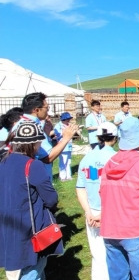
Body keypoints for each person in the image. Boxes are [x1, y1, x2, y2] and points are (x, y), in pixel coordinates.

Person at [100, 117, 139, 279]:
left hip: (111, 228)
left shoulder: (110, 163)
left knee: (118, 276)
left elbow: (102, 193)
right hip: (137, 228)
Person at [0, 121, 63, 280]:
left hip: (6, 225)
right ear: (33, 144)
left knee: (17, 268)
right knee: (32, 271)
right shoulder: (33, 165)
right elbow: (51, 198)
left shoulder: (2, 161)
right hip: (30, 227)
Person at [76, 122, 118, 280]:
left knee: (97, 253)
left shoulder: (86, 158)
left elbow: (80, 187)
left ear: (98, 136)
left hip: (92, 210)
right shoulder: (115, 158)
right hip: (111, 210)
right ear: (115, 138)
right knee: (114, 253)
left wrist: (88, 212)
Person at [18, 92, 77, 180]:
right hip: (32, 177)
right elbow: (47, 158)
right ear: (36, 110)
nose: (48, 110)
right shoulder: (32, 126)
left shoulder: (21, 123)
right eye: (47, 107)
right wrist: (66, 138)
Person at [53, 112, 74, 181]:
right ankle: (62, 176)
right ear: (63, 119)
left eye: (69, 119)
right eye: (67, 119)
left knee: (68, 161)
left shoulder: (68, 125)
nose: (68, 120)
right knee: (63, 161)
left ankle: (68, 176)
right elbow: (58, 134)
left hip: (69, 145)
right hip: (62, 146)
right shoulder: (58, 126)